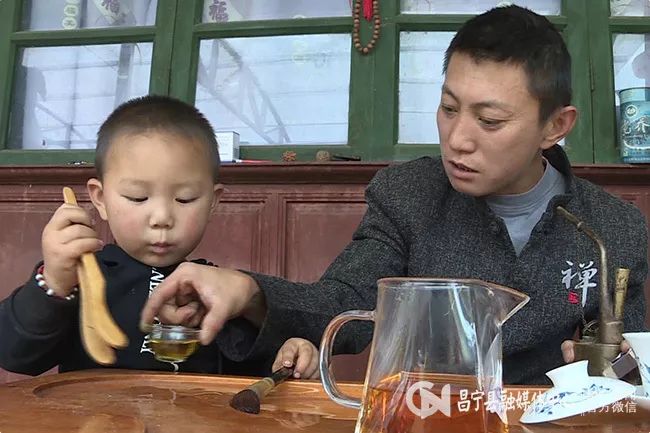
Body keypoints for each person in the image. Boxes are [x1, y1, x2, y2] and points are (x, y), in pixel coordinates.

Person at [140, 6, 648, 385]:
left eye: (490, 120)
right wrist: (248, 292)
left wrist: (617, 369)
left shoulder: (614, 229)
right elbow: (346, 305)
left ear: (555, 127)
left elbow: (632, 367)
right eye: (449, 108)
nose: (458, 139)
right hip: (428, 418)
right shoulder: (410, 195)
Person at [0, 95, 319, 379]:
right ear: (100, 198)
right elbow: (15, 354)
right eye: (138, 198)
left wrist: (287, 355)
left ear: (213, 202)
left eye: (185, 199)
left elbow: (245, 373)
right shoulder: (79, 278)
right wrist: (53, 284)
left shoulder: (214, 289)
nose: (162, 217)